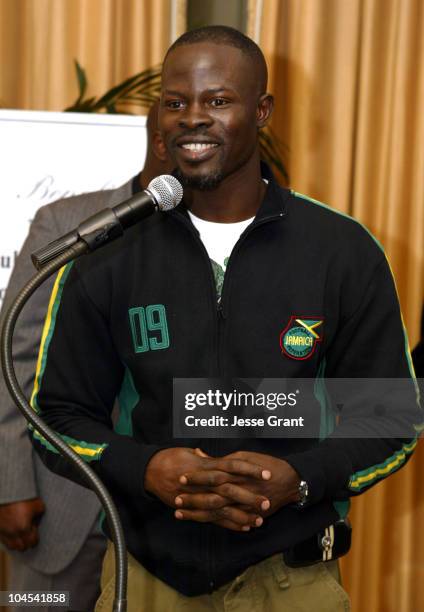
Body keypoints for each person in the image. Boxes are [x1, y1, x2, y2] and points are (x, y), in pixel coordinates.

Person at [29, 26, 421, 612]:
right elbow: (55, 415)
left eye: (217, 101)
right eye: (175, 101)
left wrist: (301, 480)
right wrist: (146, 467)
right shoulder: (110, 254)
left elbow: (389, 417)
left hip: (293, 579)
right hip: (147, 577)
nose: (192, 117)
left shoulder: (342, 250)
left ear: (261, 111)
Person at [0, 101, 170, 612]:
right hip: (59, 504)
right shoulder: (67, 222)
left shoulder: (223, 238)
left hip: (170, 518)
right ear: (162, 141)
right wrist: (10, 483)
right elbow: (15, 354)